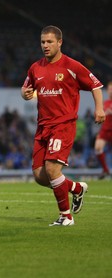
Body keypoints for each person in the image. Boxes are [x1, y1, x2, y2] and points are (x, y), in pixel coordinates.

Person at [21, 25, 105, 226]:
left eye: (50, 42)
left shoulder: (72, 66)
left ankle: (65, 216)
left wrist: (99, 108)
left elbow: (95, 85)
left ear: (60, 43)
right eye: (43, 42)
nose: (45, 46)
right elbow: (26, 89)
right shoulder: (36, 67)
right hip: (43, 127)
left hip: (63, 125)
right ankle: (76, 188)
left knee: (51, 169)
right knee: (40, 176)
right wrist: (24, 93)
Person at [94, 81, 112, 179]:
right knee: (97, 148)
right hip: (105, 130)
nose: (111, 92)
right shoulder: (104, 103)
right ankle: (105, 170)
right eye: (109, 89)